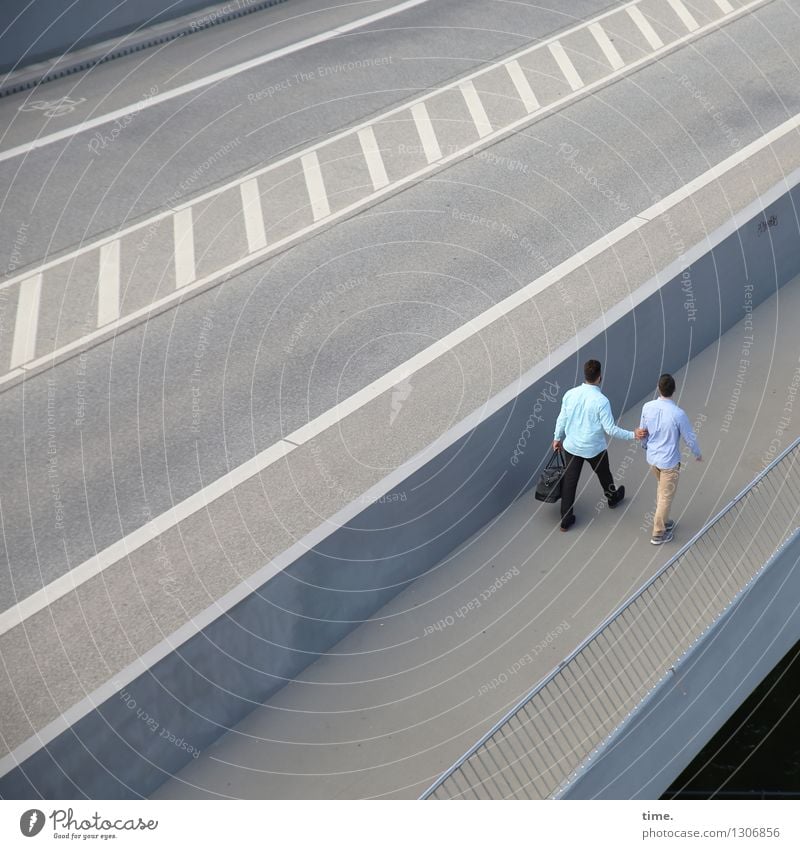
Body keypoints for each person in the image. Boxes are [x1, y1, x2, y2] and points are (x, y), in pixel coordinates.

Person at [552, 359, 646, 531]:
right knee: (605, 475)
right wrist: (633, 435)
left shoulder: (570, 394)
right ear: (599, 377)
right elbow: (610, 430)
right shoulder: (601, 401)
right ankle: (612, 499)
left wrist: (557, 438)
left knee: (569, 482)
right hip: (594, 448)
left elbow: (562, 419)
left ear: (585, 375)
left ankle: (565, 521)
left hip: (571, 446)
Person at [639, 373, 702, 545]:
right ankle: (658, 533)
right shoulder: (678, 414)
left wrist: (645, 446)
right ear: (673, 390)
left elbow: (643, 431)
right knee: (666, 497)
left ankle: (665, 521)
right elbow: (689, 437)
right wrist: (697, 453)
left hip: (652, 459)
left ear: (658, 388)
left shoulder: (647, 407)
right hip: (670, 463)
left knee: (662, 490)